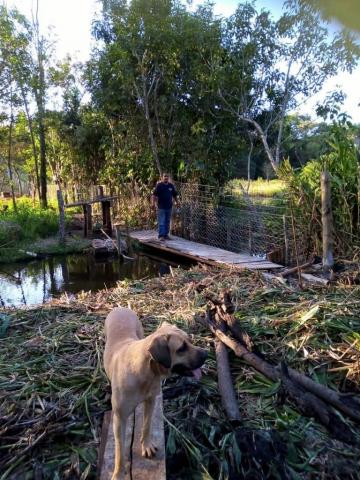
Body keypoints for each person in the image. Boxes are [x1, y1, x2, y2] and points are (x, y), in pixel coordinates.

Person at [151, 173, 179, 241]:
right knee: (162, 221)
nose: (166, 178)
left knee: (167, 221)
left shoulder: (171, 186)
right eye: (164, 176)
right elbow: (154, 195)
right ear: (162, 177)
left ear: (168, 178)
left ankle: (166, 235)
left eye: (167, 176)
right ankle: (161, 236)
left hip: (169, 207)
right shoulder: (159, 185)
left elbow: (174, 195)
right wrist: (152, 204)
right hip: (161, 207)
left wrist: (178, 202)